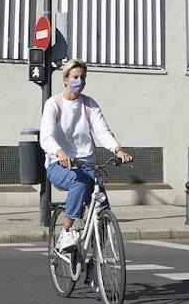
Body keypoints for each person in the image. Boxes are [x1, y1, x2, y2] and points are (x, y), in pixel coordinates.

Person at [40, 59, 133, 253]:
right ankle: (66, 232)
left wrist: (118, 149)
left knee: (102, 203)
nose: (79, 81)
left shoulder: (89, 104)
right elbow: (46, 136)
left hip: (86, 164)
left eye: (82, 77)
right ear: (65, 79)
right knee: (79, 183)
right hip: (59, 164)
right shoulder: (54, 104)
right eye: (75, 77)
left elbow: (103, 131)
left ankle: (95, 256)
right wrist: (59, 151)